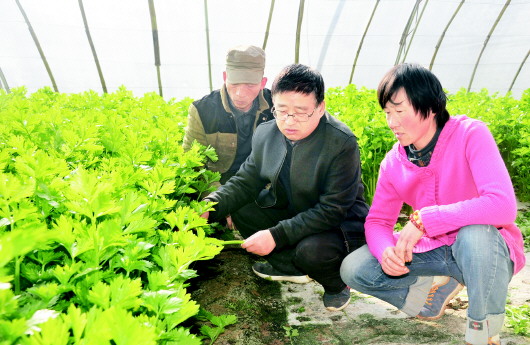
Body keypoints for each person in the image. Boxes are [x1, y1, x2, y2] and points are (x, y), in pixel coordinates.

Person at [340, 63, 526, 345]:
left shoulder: (470, 134)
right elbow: (378, 221)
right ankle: (429, 296)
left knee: (474, 235)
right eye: (387, 112)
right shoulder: (394, 161)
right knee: (355, 268)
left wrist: (426, 219)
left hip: (486, 249)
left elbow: (502, 206)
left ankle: (483, 331)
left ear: (431, 106)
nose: (392, 122)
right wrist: (384, 251)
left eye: (400, 111)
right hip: (435, 251)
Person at [201, 64, 369, 311]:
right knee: (240, 207)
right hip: (294, 210)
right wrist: (208, 206)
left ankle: (335, 283)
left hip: (337, 224)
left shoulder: (340, 142)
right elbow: (245, 181)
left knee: (312, 253)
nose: (289, 121)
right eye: (281, 111)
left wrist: (276, 235)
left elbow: (332, 210)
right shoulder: (267, 133)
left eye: (301, 112)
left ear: (320, 108)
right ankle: (291, 266)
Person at [182, 45, 274, 186]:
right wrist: (218, 197)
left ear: (263, 83)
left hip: (262, 184)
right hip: (220, 185)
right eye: (235, 83)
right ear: (225, 77)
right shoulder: (202, 110)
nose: (240, 93)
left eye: (249, 85)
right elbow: (192, 162)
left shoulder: (277, 106)